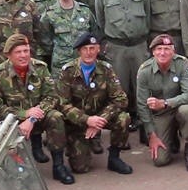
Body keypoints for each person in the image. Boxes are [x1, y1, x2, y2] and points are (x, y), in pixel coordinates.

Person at [0, 34, 72, 183]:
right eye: (18, 52)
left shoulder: (40, 68)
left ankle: (58, 166)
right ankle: (19, 169)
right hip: (12, 121)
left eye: (26, 51)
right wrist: (23, 114)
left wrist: (31, 118)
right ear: (8, 55)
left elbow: (52, 96)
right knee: (23, 177)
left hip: (37, 116)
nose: (23, 55)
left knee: (56, 117)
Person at [55, 33, 134, 176]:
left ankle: (114, 158)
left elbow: (121, 99)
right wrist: (87, 120)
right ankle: (75, 144)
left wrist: (100, 119)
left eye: (92, 48)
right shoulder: (68, 71)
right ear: (79, 51)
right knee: (81, 168)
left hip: (100, 117)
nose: (89, 52)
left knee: (124, 118)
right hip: (77, 122)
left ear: (98, 49)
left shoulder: (106, 69)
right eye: (85, 48)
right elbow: (62, 104)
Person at [94, 0, 152, 134]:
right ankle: (122, 129)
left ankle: (145, 126)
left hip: (139, 46)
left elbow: (148, 16)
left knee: (143, 86)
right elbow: (100, 21)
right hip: (116, 47)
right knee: (120, 90)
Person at [136, 34, 188, 170]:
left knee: (187, 110)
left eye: (167, 49)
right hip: (161, 114)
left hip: (179, 108)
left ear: (173, 51)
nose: (162, 52)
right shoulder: (145, 71)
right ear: (153, 52)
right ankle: (171, 137)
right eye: (159, 49)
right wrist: (151, 134)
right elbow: (142, 105)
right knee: (160, 160)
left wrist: (164, 103)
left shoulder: (182, 63)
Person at [38, 0, 95, 71]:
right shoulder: (50, 15)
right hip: (61, 65)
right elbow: (44, 39)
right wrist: (58, 51)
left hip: (84, 63)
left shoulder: (85, 11)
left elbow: (94, 32)